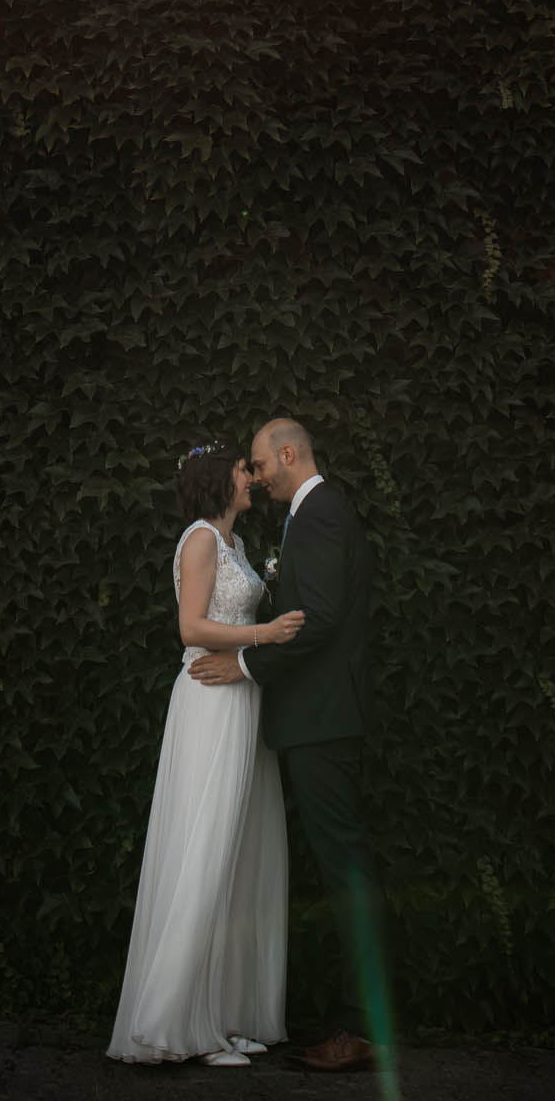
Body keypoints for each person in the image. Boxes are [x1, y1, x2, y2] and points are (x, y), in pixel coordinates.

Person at [189, 418, 390, 1075]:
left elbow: (320, 619)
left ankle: (363, 1029)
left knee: (345, 872)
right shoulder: (309, 517)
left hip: (323, 721)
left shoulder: (320, 513)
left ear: (285, 454)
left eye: (256, 462)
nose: (253, 474)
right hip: (317, 720)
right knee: (340, 869)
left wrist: (246, 668)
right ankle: (352, 1019)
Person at [106, 440, 307, 1067]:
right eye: (244, 470)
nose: (252, 478)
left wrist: (255, 651)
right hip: (209, 703)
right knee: (206, 846)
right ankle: (177, 1023)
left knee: (240, 853)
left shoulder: (237, 546)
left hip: (242, 701)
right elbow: (190, 627)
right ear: (220, 480)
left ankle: (222, 1015)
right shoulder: (198, 540)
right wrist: (265, 633)